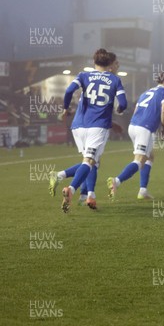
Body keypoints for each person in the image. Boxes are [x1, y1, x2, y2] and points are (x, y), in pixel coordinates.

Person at [60, 49, 127, 212]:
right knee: (90, 162)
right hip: (98, 126)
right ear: (110, 64)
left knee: (90, 161)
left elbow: (69, 91)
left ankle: (87, 194)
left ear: (94, 62)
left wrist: (65, 108)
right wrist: (119, 110)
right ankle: (72, 189)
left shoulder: (83, 75)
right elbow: (123, 104)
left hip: (78, 126)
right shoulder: (114, 79)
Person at [107, 72, 164, 200]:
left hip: (133, 126)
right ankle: (116, 181)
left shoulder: (146, 92)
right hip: (145, 128)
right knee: (139, 160)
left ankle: (143, 190)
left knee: (149, 157)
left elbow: (136, 110)